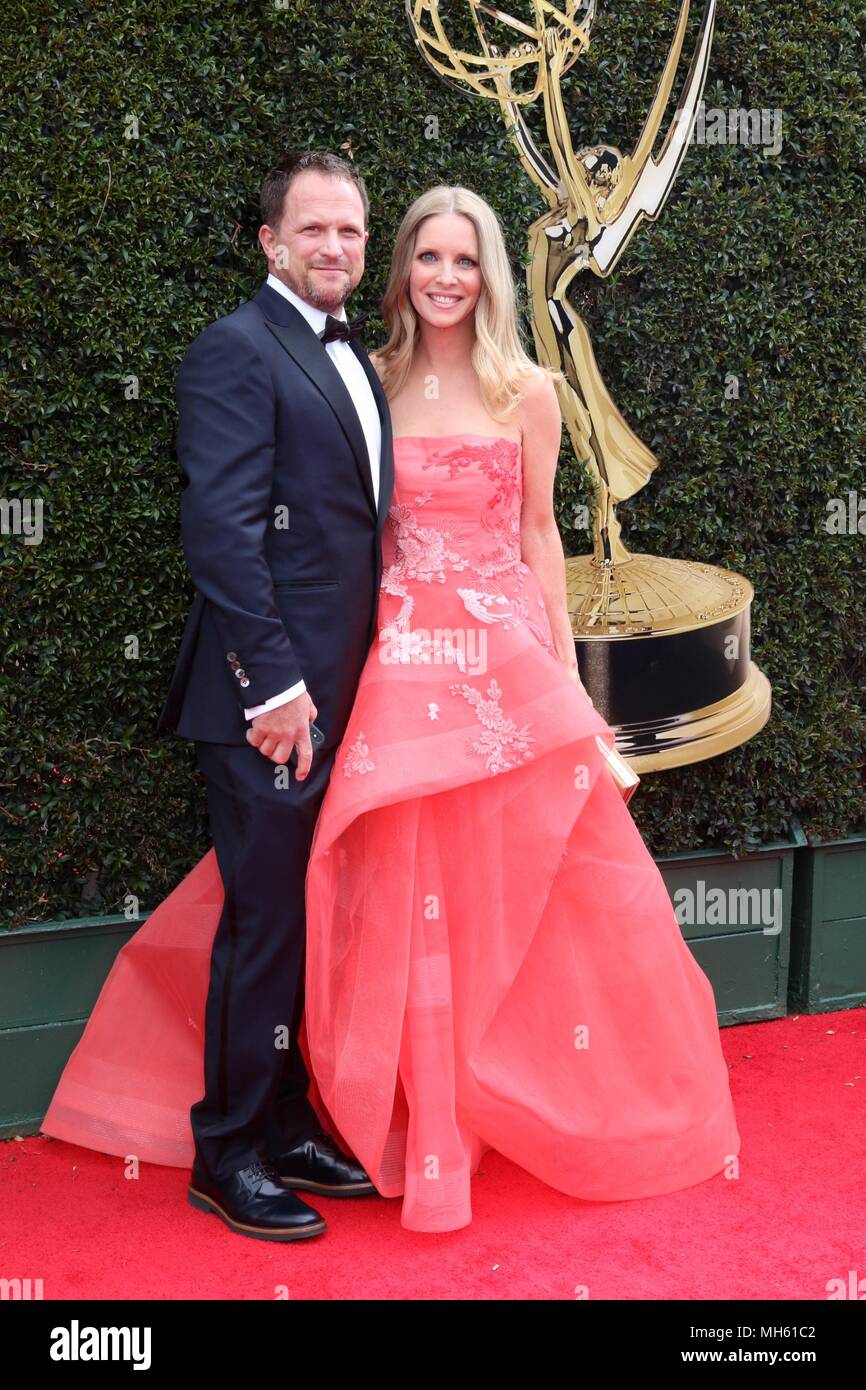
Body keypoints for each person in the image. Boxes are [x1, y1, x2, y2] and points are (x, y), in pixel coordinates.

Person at [42, 180, 741, 1237]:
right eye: (427, 257)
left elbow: (539, 536)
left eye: (464, 260)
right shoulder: (364, 375)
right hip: (372, 674)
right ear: (386, 265)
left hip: (485, 667)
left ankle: (328, 1118)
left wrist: (564, 678)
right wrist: (276, 681)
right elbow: (247, 533)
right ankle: (241, 1144)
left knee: (465, 892)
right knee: (314, 900)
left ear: (488, 272)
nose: (445, 277)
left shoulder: (526, 390)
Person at [43, 148, 395, 1242]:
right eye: (313, 231)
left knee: (299, 924)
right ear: (269, 242)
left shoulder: (351, 355)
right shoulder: (234, 350)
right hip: (269, 707)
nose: (334, 247)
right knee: (263, 927)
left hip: (346, 697)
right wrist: (276, 689)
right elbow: (223, 538)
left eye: (349, 231)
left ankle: (285, 1127)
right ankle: (227, 1151)